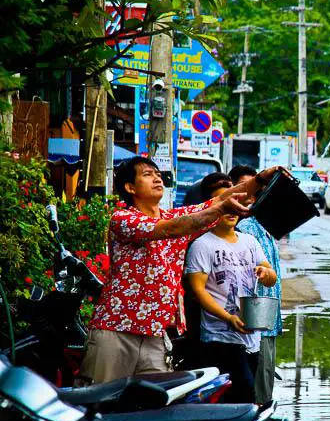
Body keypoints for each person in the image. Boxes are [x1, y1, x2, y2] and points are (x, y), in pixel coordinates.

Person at [79, 156, 278, 384]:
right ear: (130, 187)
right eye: (147, 174)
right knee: (99, 403)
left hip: (156, 332)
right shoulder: (123, 218)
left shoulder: (173, 216)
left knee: (154, 408)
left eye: (157, 173)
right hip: (117, 329)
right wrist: (218, 208)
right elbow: (172, 228)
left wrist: (262, 179)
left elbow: (222, 199)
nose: (157, 178)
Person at [184, 173, 277, 403]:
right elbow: (197, 291)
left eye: (234, 204)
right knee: (242, 393)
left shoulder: (249, 242)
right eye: (223, 204)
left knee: (244, 395)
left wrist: (266, 274)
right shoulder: (202, 245)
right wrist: (228, 318)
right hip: (220, 337)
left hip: (251, 335)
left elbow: (270, 275)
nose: (230, 210)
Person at [229, 165, 283, 405]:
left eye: (257, 190)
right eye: (246, 190)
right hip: (250, 321)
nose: (252, 196)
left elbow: (271, 276)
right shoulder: (242, 227)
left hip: (267, 318)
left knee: (264, 385)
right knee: (256, 394)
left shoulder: (264, 224)